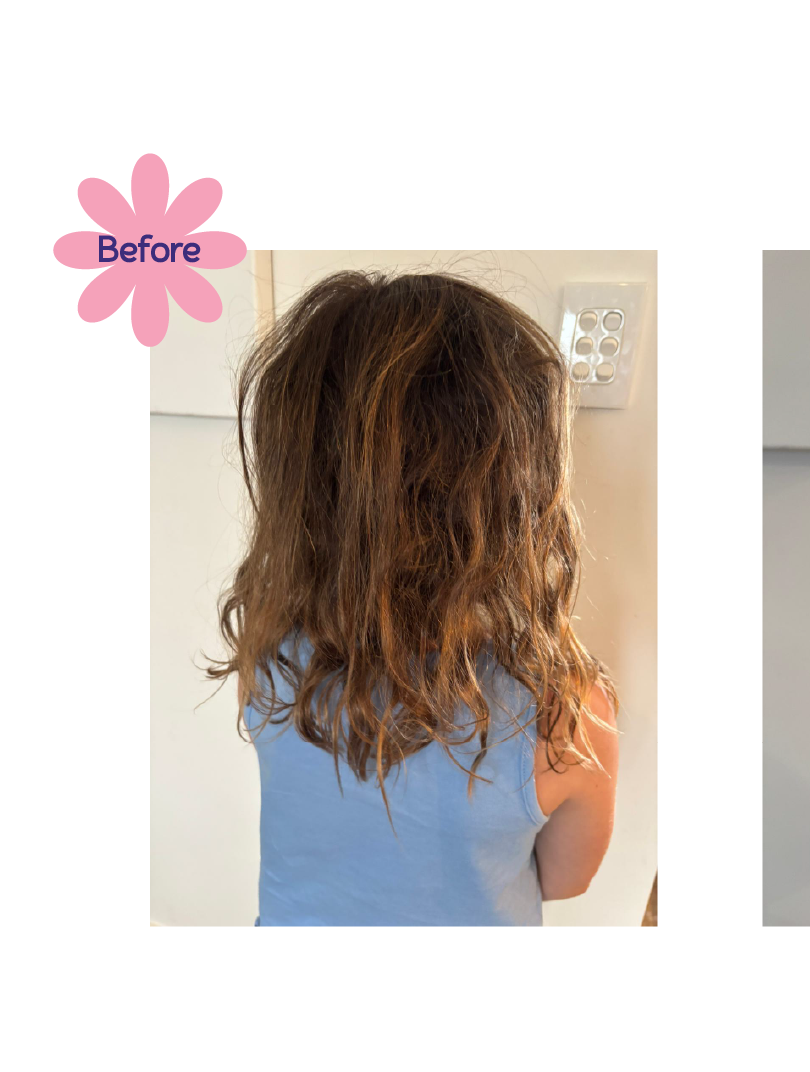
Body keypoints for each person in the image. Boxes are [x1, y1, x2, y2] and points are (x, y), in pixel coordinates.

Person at [207, 271, 618, 927]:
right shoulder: (564, 713)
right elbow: (567, 879)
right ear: (521, 498)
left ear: (301, 490)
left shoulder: (270, 656)